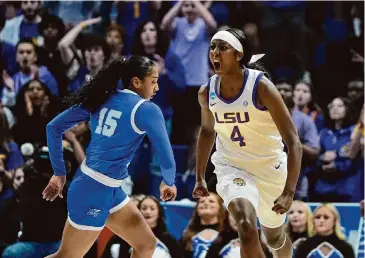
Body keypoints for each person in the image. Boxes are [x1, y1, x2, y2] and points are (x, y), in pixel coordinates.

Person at [42, 55, 178, 258]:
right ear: (137, 82)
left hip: (107, 187)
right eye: (154, 81)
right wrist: (169, 181)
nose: (157, 88)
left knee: (147, 245)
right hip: (93, 190)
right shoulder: (146, 109)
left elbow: (53, 127)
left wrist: (59, 173)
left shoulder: (102, 97)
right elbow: (165, 154)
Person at [192, 28, 303, 258]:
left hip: (269, 167)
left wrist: (289, 191)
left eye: (223, 48)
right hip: (232, 167)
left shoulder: (262, 87)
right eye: (213, 47)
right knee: (245, 226)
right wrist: (200, 176)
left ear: (239, 54)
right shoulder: (207, 92)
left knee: (274, 237)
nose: (215, 52)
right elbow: (206, 131)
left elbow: (293, 142)